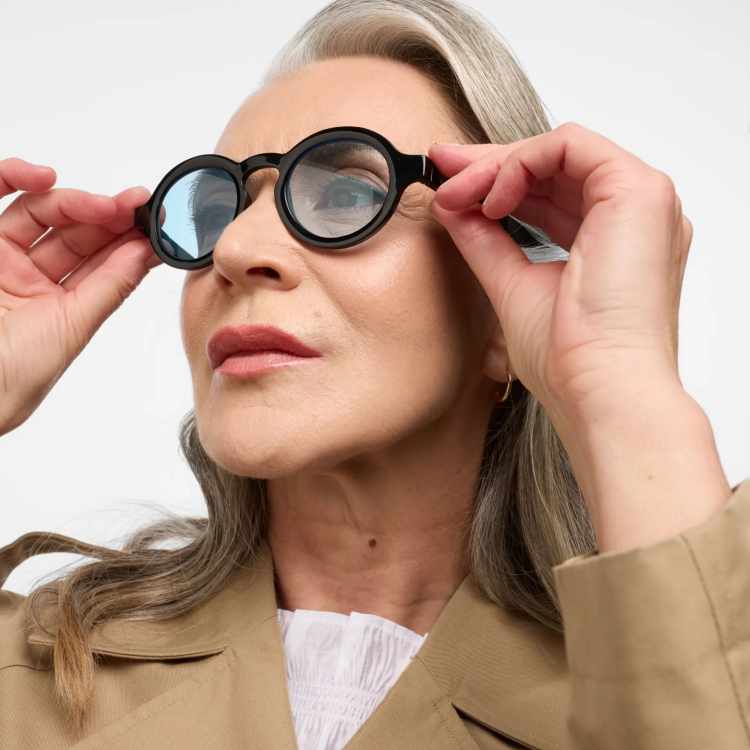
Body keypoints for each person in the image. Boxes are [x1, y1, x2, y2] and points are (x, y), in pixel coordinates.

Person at [1, 0, 748, 748]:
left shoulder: (648, 687)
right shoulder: (29, 673)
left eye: (347, 194)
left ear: (501, 310)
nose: (235, 249)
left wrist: (619, 380)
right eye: (221, 209)